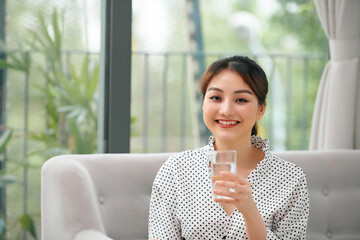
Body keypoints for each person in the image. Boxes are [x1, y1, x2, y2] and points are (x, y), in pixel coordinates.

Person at [148, 55, 309, 240]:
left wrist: (250, 211)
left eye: (241, 100)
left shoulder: (291, 179)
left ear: (261, 109)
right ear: (203, 103)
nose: (226, 110)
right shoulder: (176, 170)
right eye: (216, 97)